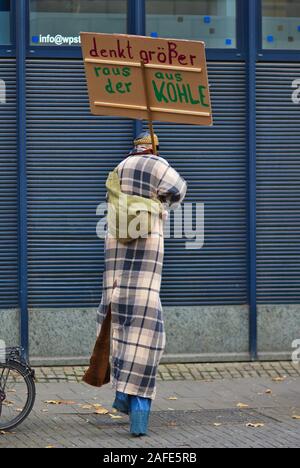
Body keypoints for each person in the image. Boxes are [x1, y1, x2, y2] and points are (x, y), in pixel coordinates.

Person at [83, 131, 187, 437]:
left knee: (120, 324)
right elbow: (179, 189)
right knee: (147, 331)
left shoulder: (119, 168)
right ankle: (138, 411)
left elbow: (112, 201)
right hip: (145, 256)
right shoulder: (158, 165)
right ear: (154, 148)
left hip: (116, 252)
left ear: (135, 146)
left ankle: (121, 397)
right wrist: (160, 200)